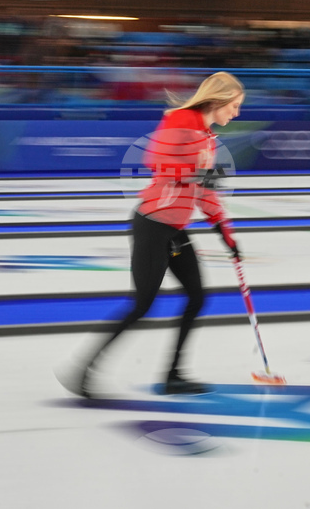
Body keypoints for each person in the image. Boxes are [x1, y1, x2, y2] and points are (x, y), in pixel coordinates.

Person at [65, 71, 244, 397]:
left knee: (196, 297)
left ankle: (173, 375)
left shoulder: (207, 138)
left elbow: (205, 193)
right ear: (218, 101)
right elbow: (156, 160)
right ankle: (83, 370)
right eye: (234, 105)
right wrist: (196, 174)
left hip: (175, 229)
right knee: (143, 304)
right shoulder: (180, 120)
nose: (237, 113)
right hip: (152, 224)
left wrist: (225, 232)